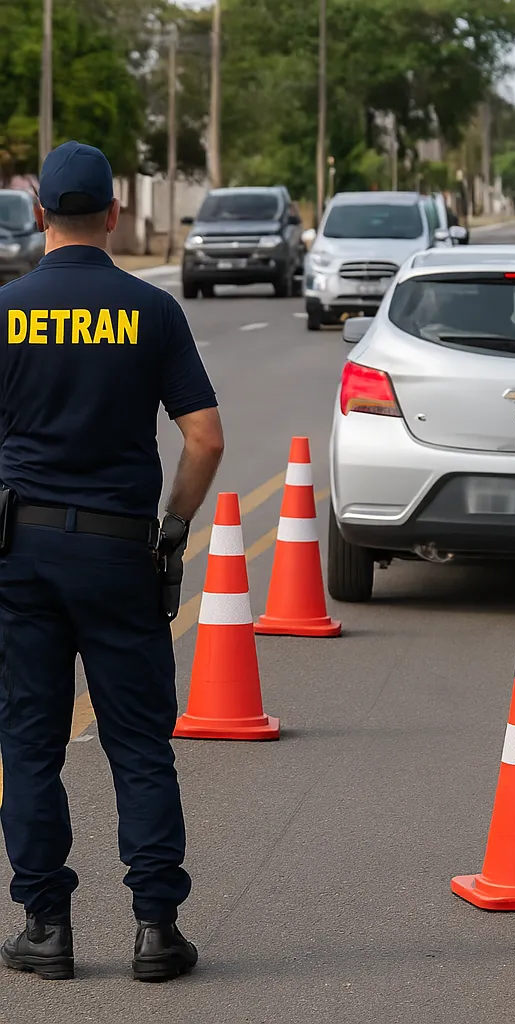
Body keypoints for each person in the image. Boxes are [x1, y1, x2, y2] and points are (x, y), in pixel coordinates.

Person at [0, 142, 223, 982]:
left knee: (29, 741)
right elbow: (204, 437)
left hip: (22, 555)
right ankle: (156, 929)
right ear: (115, 216)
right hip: (119, 550)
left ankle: (45, 928)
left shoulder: (8, 310)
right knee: (137, 743)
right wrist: (172, 529)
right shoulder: (150, 310)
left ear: (42, 213)